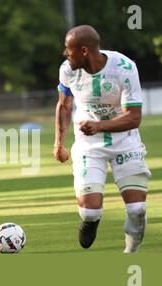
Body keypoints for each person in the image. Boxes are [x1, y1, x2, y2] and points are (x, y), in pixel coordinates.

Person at [53, 25, 151, 253]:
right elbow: (65, 106)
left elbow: (134, 118)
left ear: (84, 50)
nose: (65, 54)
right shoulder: (67, 70)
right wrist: (59, 143)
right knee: (90, 212)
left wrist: (99, 126)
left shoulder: (124, 68)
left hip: (125, 142)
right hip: (89, 145)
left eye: (69, 49)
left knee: (137, 209)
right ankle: (91, 221)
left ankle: (130, 255)